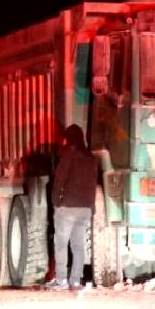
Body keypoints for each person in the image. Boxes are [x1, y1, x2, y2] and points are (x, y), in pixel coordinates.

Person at [49, 123, 99, 290]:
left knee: (61, 243)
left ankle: (61, 279)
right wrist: (91, 207)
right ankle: (76, 280)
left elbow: (59, 179)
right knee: (78, 245)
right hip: (85, 209)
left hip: (68, 207)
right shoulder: (91, 159)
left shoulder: (69, 155)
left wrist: (56, 201)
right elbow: (93, 184)